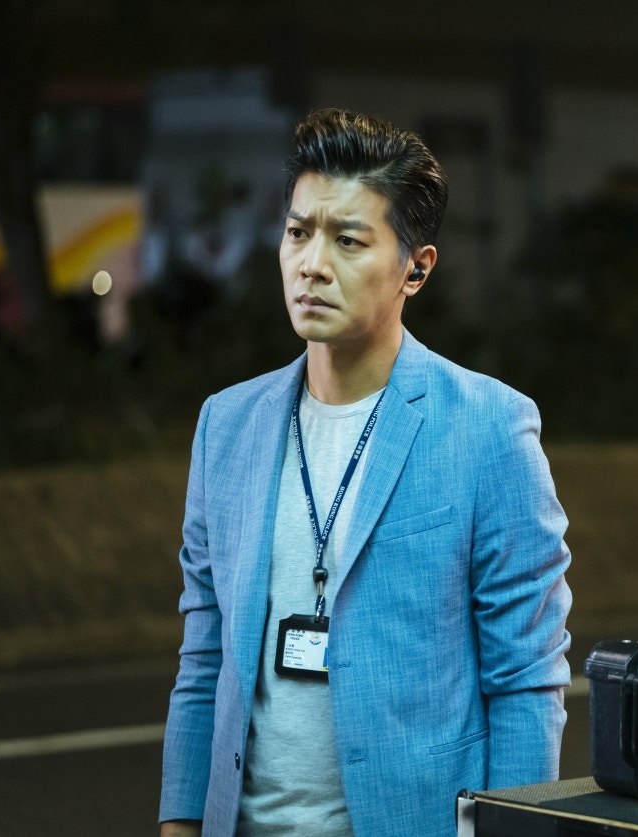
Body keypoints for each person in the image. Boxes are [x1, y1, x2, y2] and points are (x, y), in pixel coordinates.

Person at [158, 108, 573, 837]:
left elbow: (525, 680)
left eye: (348, 240)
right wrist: (179, 822)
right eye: (298, 233)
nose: (312, 263)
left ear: (417, 267)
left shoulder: (490, 430)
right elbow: (204, 661)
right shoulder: (227, 426)